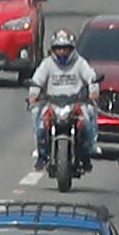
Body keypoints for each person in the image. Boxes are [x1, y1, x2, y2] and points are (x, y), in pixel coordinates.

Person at [27, 29, 99, 180]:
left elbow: (91, 77)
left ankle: (86, 155)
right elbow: (37, 80)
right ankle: (42, 155)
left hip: (76, 103)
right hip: (52, 103)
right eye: (58, 48)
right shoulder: (47, 64)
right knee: (38, 120)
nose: (62, 52)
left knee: (87, 121)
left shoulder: (80, 63)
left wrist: (93, 92)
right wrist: (33, 95)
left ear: (71, 49)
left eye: (65, 48)